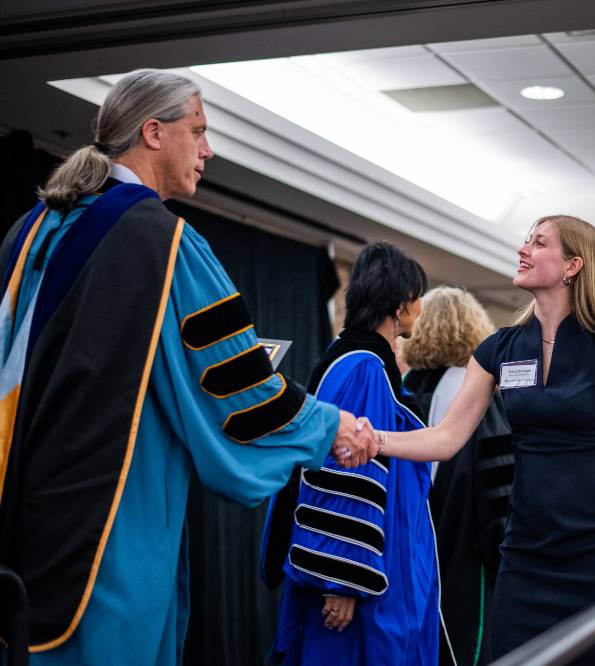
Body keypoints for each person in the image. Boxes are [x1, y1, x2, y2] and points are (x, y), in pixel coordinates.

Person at [0, 69, 374, 666]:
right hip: (115, 512)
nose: (208, 149)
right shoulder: (163, 242)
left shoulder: (31, 231)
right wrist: (331, 428)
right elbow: (236, 384)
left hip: (21, 504)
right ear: (153, 132)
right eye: (197, 130)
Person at [345, 215, 595, 664]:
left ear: (573, 266)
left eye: (538, 243)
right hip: (524, 554)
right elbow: (446, 437)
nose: (523, 249)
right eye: (526, 240)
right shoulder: (500, 349)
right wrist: (374, 439)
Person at [260, 242, 438, 665]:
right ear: (398, 306)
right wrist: (344, 582)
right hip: (360, 580)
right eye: (417, 297)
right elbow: (349, 473)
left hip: (369, 566)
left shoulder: (353, 358)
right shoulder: (363, 368)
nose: (420, 307)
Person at [401, 286, 514, 666]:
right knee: (465, 642)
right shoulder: (476, 389)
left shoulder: (404, 388)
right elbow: (496, 481)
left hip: (411, 536)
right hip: (465, 541)